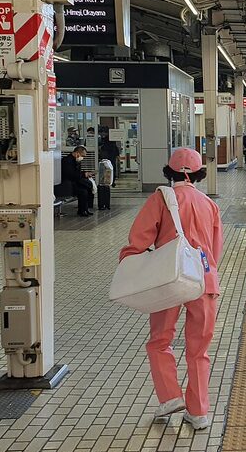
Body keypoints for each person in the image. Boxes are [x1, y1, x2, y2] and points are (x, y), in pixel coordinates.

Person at [119, 149, 223, 430]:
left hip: (168, 281)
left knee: (159, 341)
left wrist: (129, 262)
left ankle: (170, 397)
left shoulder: (161, 199)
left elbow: (138, 240)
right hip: (203, 280)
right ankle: (199, 411)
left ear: (170, 171)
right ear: (199, 173)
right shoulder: (209, 204)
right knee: (198, 349)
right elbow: (215, 250)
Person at [59, 146, 94, 216]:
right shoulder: (67, 161)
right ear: (77, 153)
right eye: (82, 156)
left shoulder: (76, 161)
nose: (83, 158)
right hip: (67, 184)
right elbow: (71, 174)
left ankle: (85, 209)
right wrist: (84, 174)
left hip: (74, 182)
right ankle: (82, 210)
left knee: (88, 187)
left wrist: (85, 174)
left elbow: (77, 174)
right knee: (83, 191)